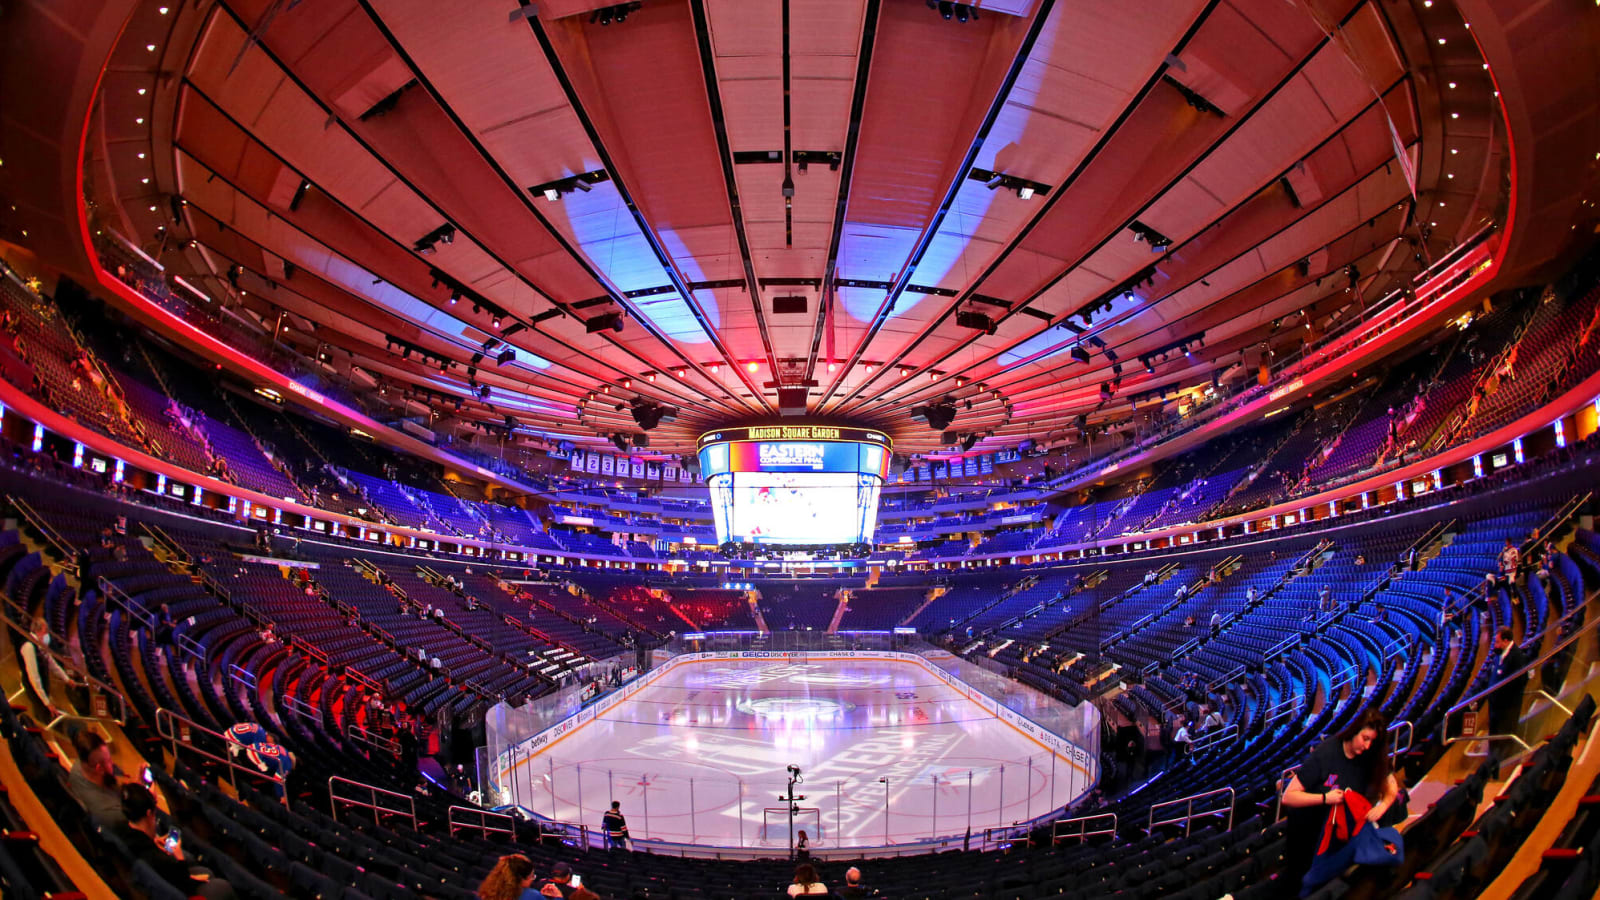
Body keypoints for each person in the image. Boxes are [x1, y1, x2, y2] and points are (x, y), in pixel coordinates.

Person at [1279, 710, 1400, 897]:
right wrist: (1325, 798)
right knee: (1296, 883)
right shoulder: (1326, 753)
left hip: (1336, 837)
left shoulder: (1369, 756)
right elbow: (1289, 796)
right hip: (1306, 834)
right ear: (1354, 731)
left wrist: (1383, 806)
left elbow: (1391, 785)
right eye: (1365, 738)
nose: (1367, 746)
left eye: (1372, 742)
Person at [114, 783, 235, 900]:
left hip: (168, 878)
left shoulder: (122, 829)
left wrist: (154, 841)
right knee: (223, 886)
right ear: (149, 813)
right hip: (180, 888)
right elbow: (184, 884)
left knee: (207, 872)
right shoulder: (159, 859)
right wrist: (179, 858)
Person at [69, 730, 131, 827]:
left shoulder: (79, 765)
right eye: (109, 760)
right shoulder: (112, 812)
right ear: (99, 768)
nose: (112, 762)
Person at [1487, 627, 1529, 759]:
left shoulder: (1517, 657)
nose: (1495, 645)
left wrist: (1504, 698)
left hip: (1507, 707)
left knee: (1504, 737)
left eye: (1497, 642)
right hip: (1495, 705)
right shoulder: (1501, 653)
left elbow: (1521, 681)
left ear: (1506, 641)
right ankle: (1492, 761)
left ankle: (1501, 763)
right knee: (1494, 736)